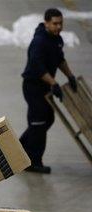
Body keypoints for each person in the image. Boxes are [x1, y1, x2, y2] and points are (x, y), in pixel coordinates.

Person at [20, 8, 77, 174]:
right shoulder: (39, 41)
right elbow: (37, 67)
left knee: (47, 119)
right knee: (38, 122)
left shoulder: (56, 39)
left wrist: (70, 76)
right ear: (46, 23)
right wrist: (54, 83)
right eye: (55, 23)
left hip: (45, 85)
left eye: (60, 23)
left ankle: (20, 147)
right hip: (33, 86)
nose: (58, 27)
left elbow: (60, 59)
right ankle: (33, 162)